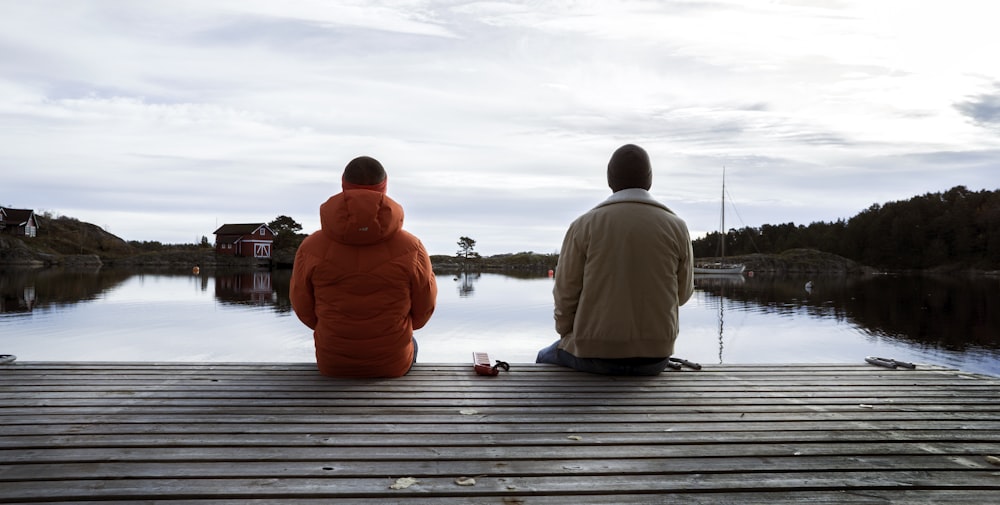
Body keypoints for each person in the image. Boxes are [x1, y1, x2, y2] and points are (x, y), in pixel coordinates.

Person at [536, 144, 695, 375]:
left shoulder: (584, 225)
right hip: (656, 358)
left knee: (544, 357)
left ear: (610, 180)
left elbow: (565, 293)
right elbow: (683, 294)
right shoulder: (677, 227)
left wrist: (568, 334)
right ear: (649, 180)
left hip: (594, 355)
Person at [290, 155, 437, 378]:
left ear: (343, 185)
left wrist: (329, 328)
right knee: (412, 341)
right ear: (384, 187)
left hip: (333, 364)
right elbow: (424, 310)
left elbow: (303, 308)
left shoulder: (311, 247)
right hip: (392, 366)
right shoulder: (412, 247)